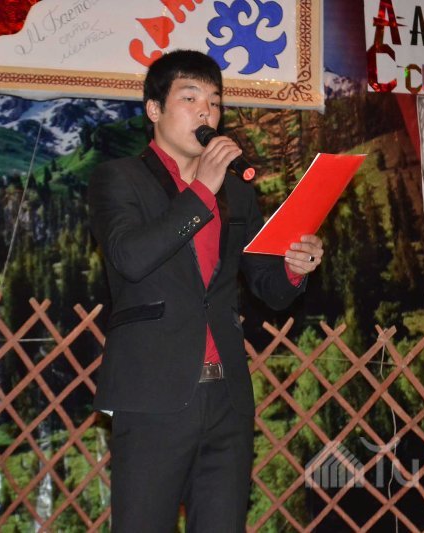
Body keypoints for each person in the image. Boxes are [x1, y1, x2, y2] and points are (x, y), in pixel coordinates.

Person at [87, 49, 323, 532]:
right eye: (190, 98)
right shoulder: (119, 178)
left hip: (227, 399)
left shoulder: (236, 193)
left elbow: (268, 287)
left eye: (215, 102)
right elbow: (130, 257)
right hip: (152, 394)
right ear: (154, 109)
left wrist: (295, 269)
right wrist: (200, 192)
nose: (206, 113)